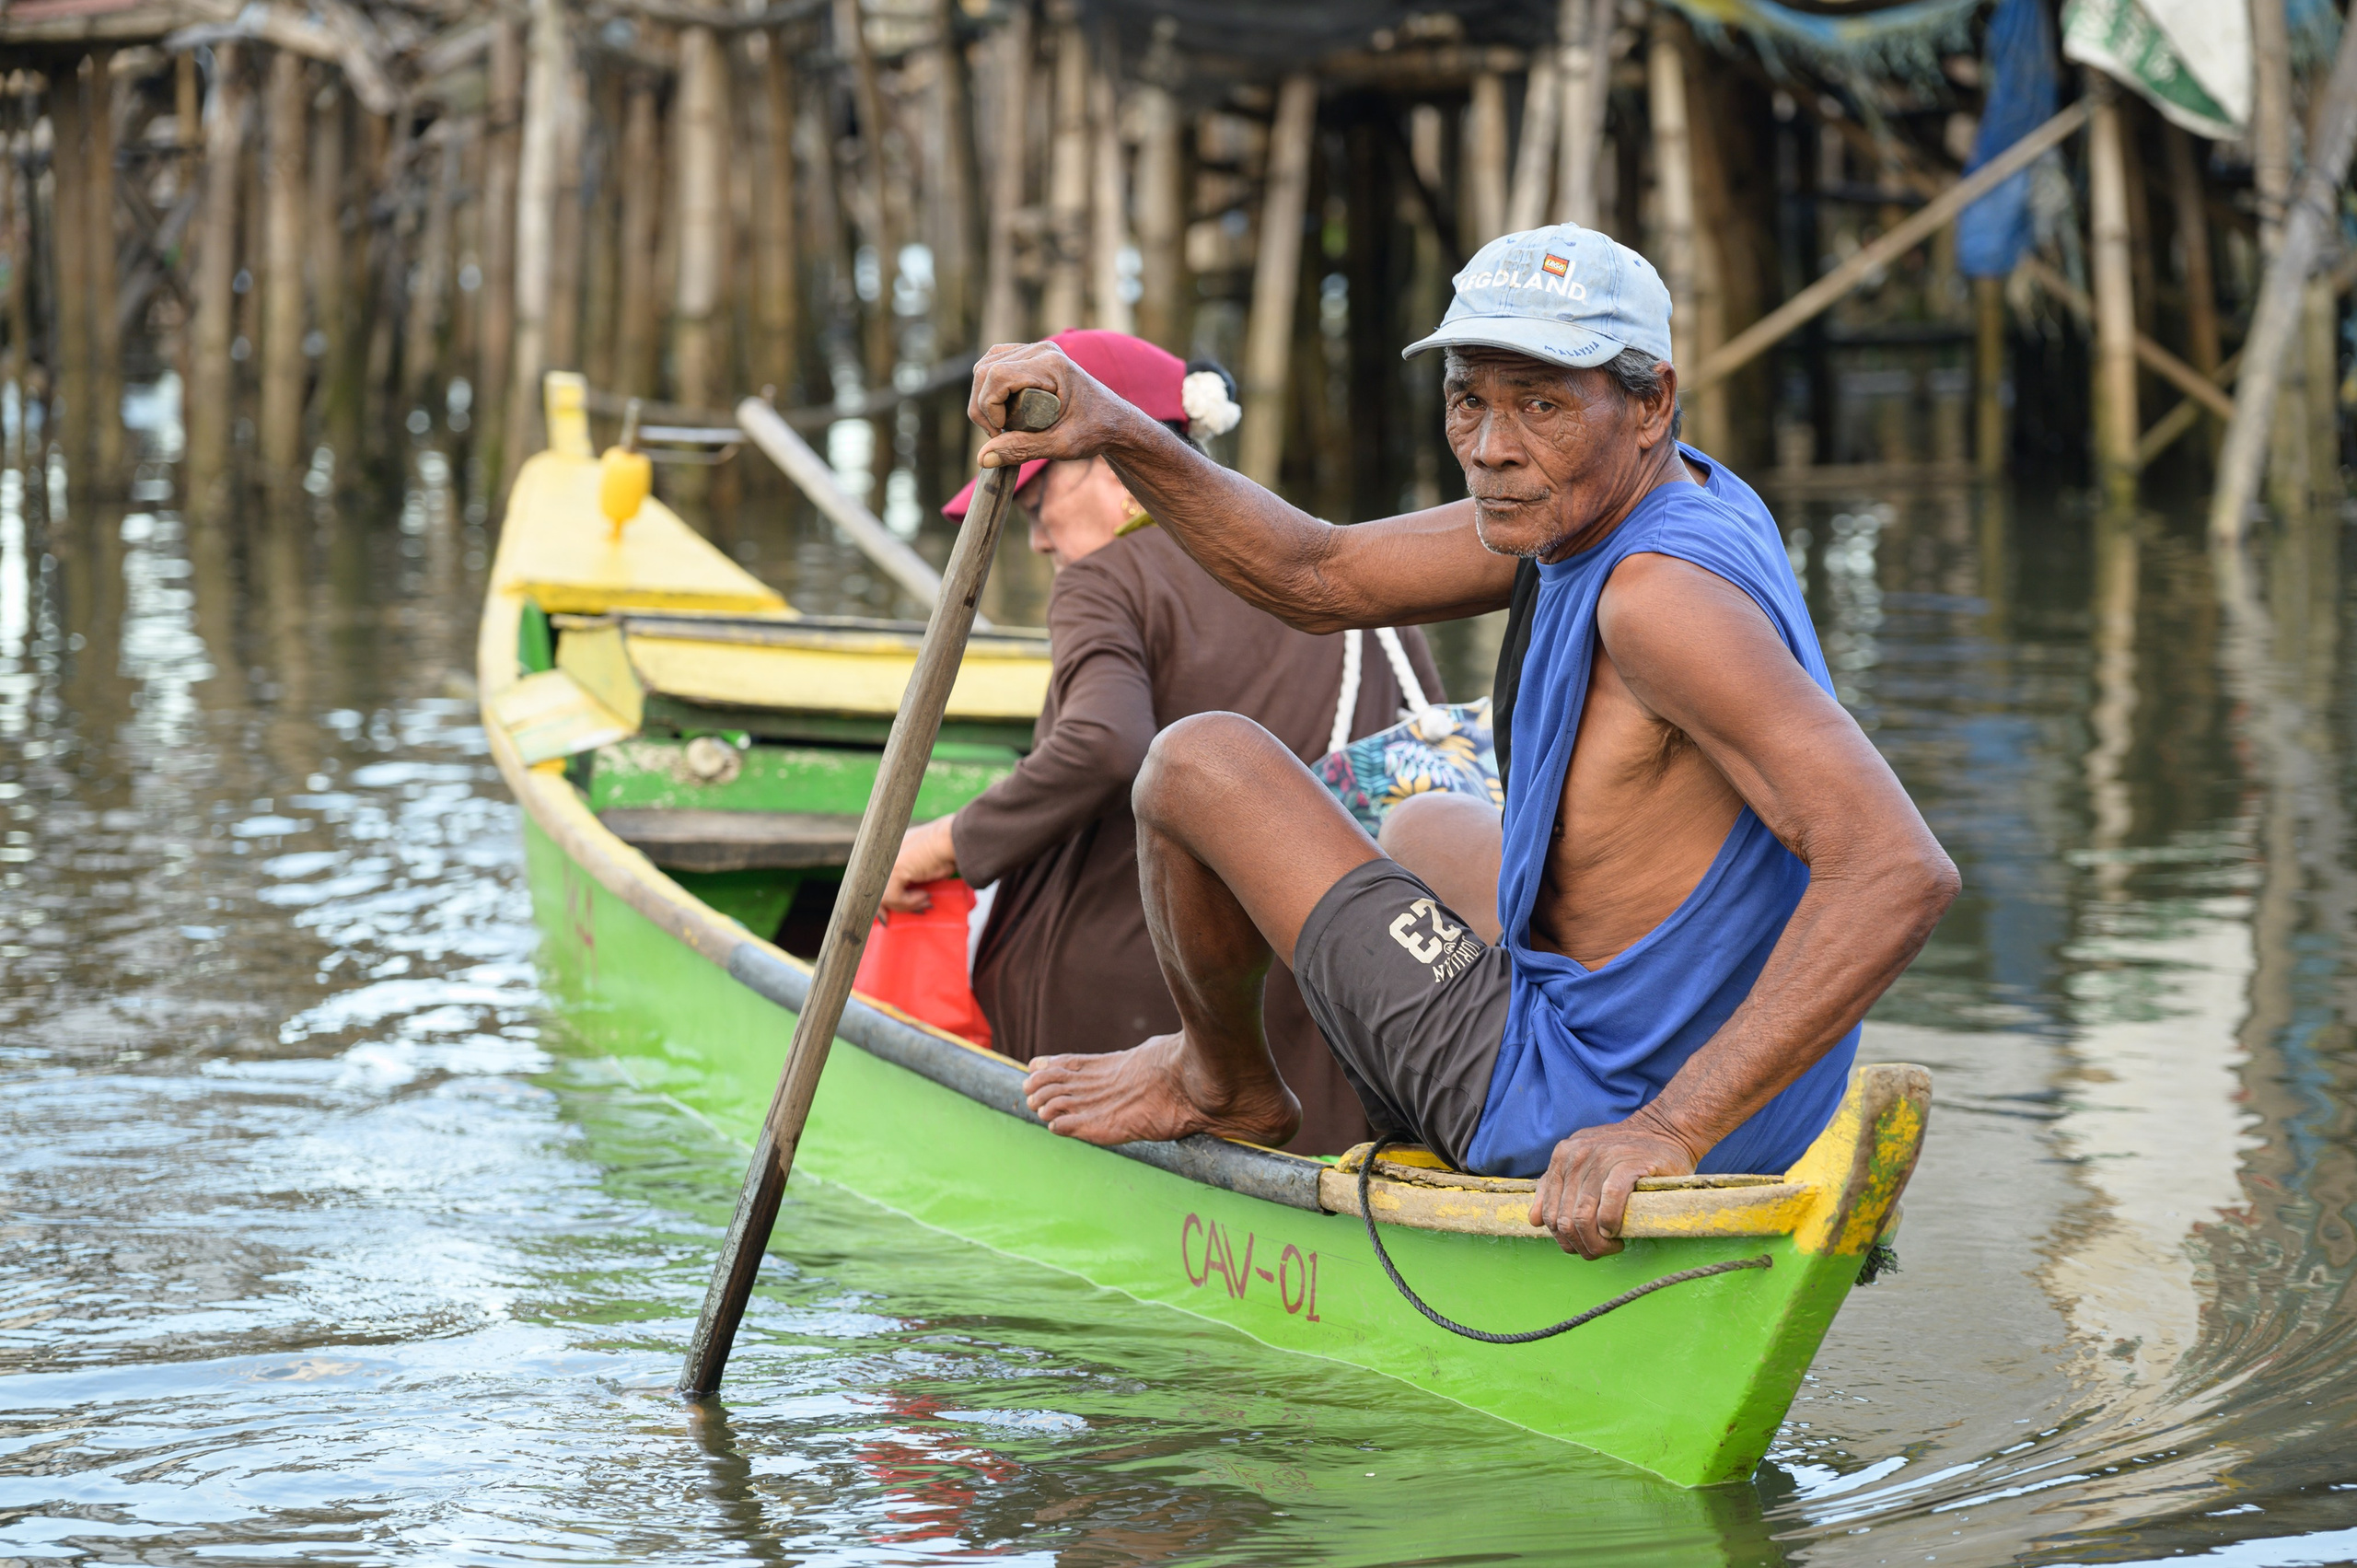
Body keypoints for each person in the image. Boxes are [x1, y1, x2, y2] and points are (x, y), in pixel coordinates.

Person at [965, 225, 1960, 1259]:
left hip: (1600, 1104)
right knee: (1431, 823)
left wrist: (1666, 1129)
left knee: (1196, 760)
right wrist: (1117, 426)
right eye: (1467, 399)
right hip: (1731, 1089)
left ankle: (1217, 1077)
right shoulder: (1639, 497)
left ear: (1650, 403)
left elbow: (1895, 868)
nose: (1491, 446)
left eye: (1540, 404)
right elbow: (1318, 575)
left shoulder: (1659, 597)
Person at [882, 329, 1444, 1156]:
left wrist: (943, 843)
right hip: (1337, 1031)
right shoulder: (1348, 578)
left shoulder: (1106, 576)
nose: (1034, 537)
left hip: (1131, 1033)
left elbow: (1106, 742)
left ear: (1114, 463)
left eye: (1036, 501)